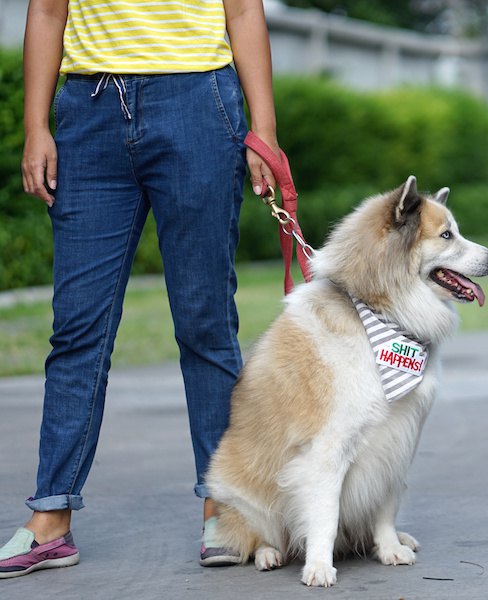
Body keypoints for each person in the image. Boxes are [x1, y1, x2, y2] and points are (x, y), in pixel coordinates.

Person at [1, 0, 280, 578]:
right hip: (89, 111)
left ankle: (224, 506)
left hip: (198, 104)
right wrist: (36, 126)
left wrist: (264, 132)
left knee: (204, 321)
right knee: (77, 327)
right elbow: (49, 11)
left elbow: (245, 12)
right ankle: (51, 515)